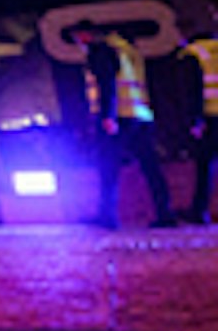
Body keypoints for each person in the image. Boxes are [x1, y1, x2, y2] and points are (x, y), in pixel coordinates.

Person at [84, 27, 173, 230]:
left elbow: (107, 83)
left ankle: (107, 217)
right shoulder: (129, 51)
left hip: (119, 117)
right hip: (140, 114)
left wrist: (108, 115)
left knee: (108, 168)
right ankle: (165, 213)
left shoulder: (101, 50)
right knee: (151, 168)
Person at [168, 29, 218, 225]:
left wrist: (194, 120)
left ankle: (200, 211)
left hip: (209, 116)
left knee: (205, 166)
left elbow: (191, 90)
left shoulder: (194, 54)